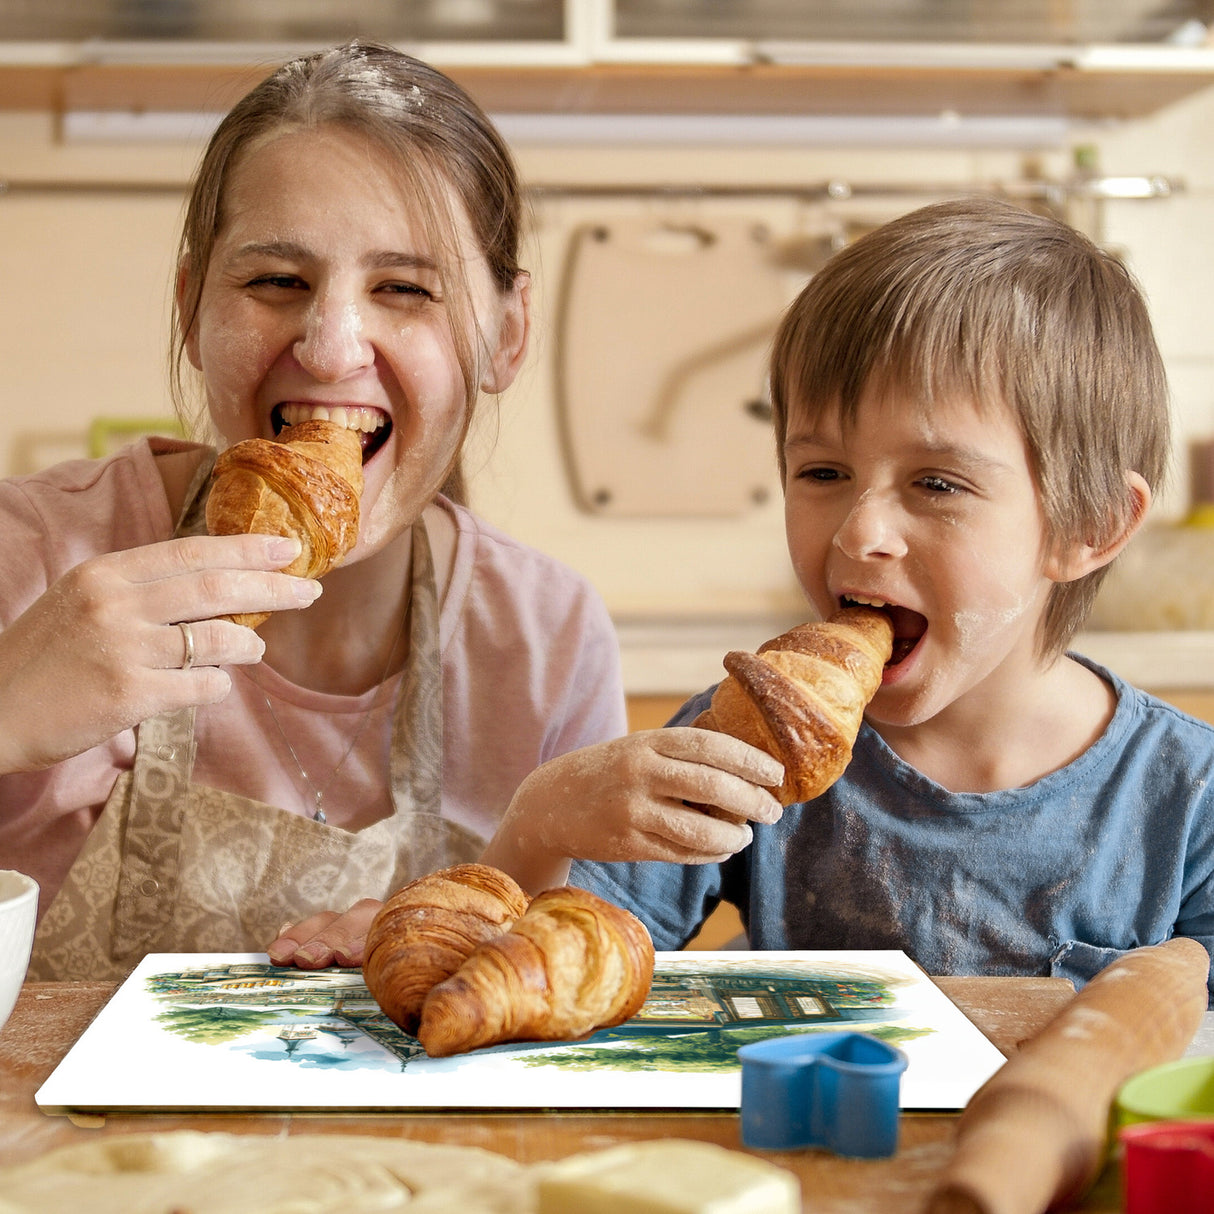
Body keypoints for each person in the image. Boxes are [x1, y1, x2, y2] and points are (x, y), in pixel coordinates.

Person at [3, 40, 630, 981]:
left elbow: (579, 987)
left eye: (405, 289)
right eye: (275, 282)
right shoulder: (35, 557)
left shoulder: (544, 639)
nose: (333, 347)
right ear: (190, 308)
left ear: (506, 335)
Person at [486, 196, 1214, 998]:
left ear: (1091, 524)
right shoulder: (747, 741)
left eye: (937, 483)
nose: (860, 531)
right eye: (824, 473)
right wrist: (540, 818)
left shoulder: (1188, 799)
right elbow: (550, 971)